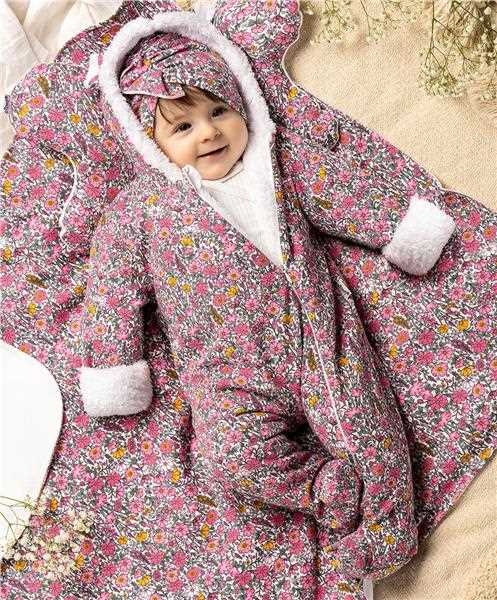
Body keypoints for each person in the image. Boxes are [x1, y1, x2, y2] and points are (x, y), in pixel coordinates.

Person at [79, 29, 456, 584]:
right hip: (226, 374)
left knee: (368, 427)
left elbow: (344, 194)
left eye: (219, 111)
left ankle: (387, 529)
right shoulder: (141, 212)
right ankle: (323, 488)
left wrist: (404, 230)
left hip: (317, 336)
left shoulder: (277, 164)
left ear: (244, 104)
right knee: (229, 456)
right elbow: (113, 292)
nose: (209, 132)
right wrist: (115, 365)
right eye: (183, 127)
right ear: (147, 141)